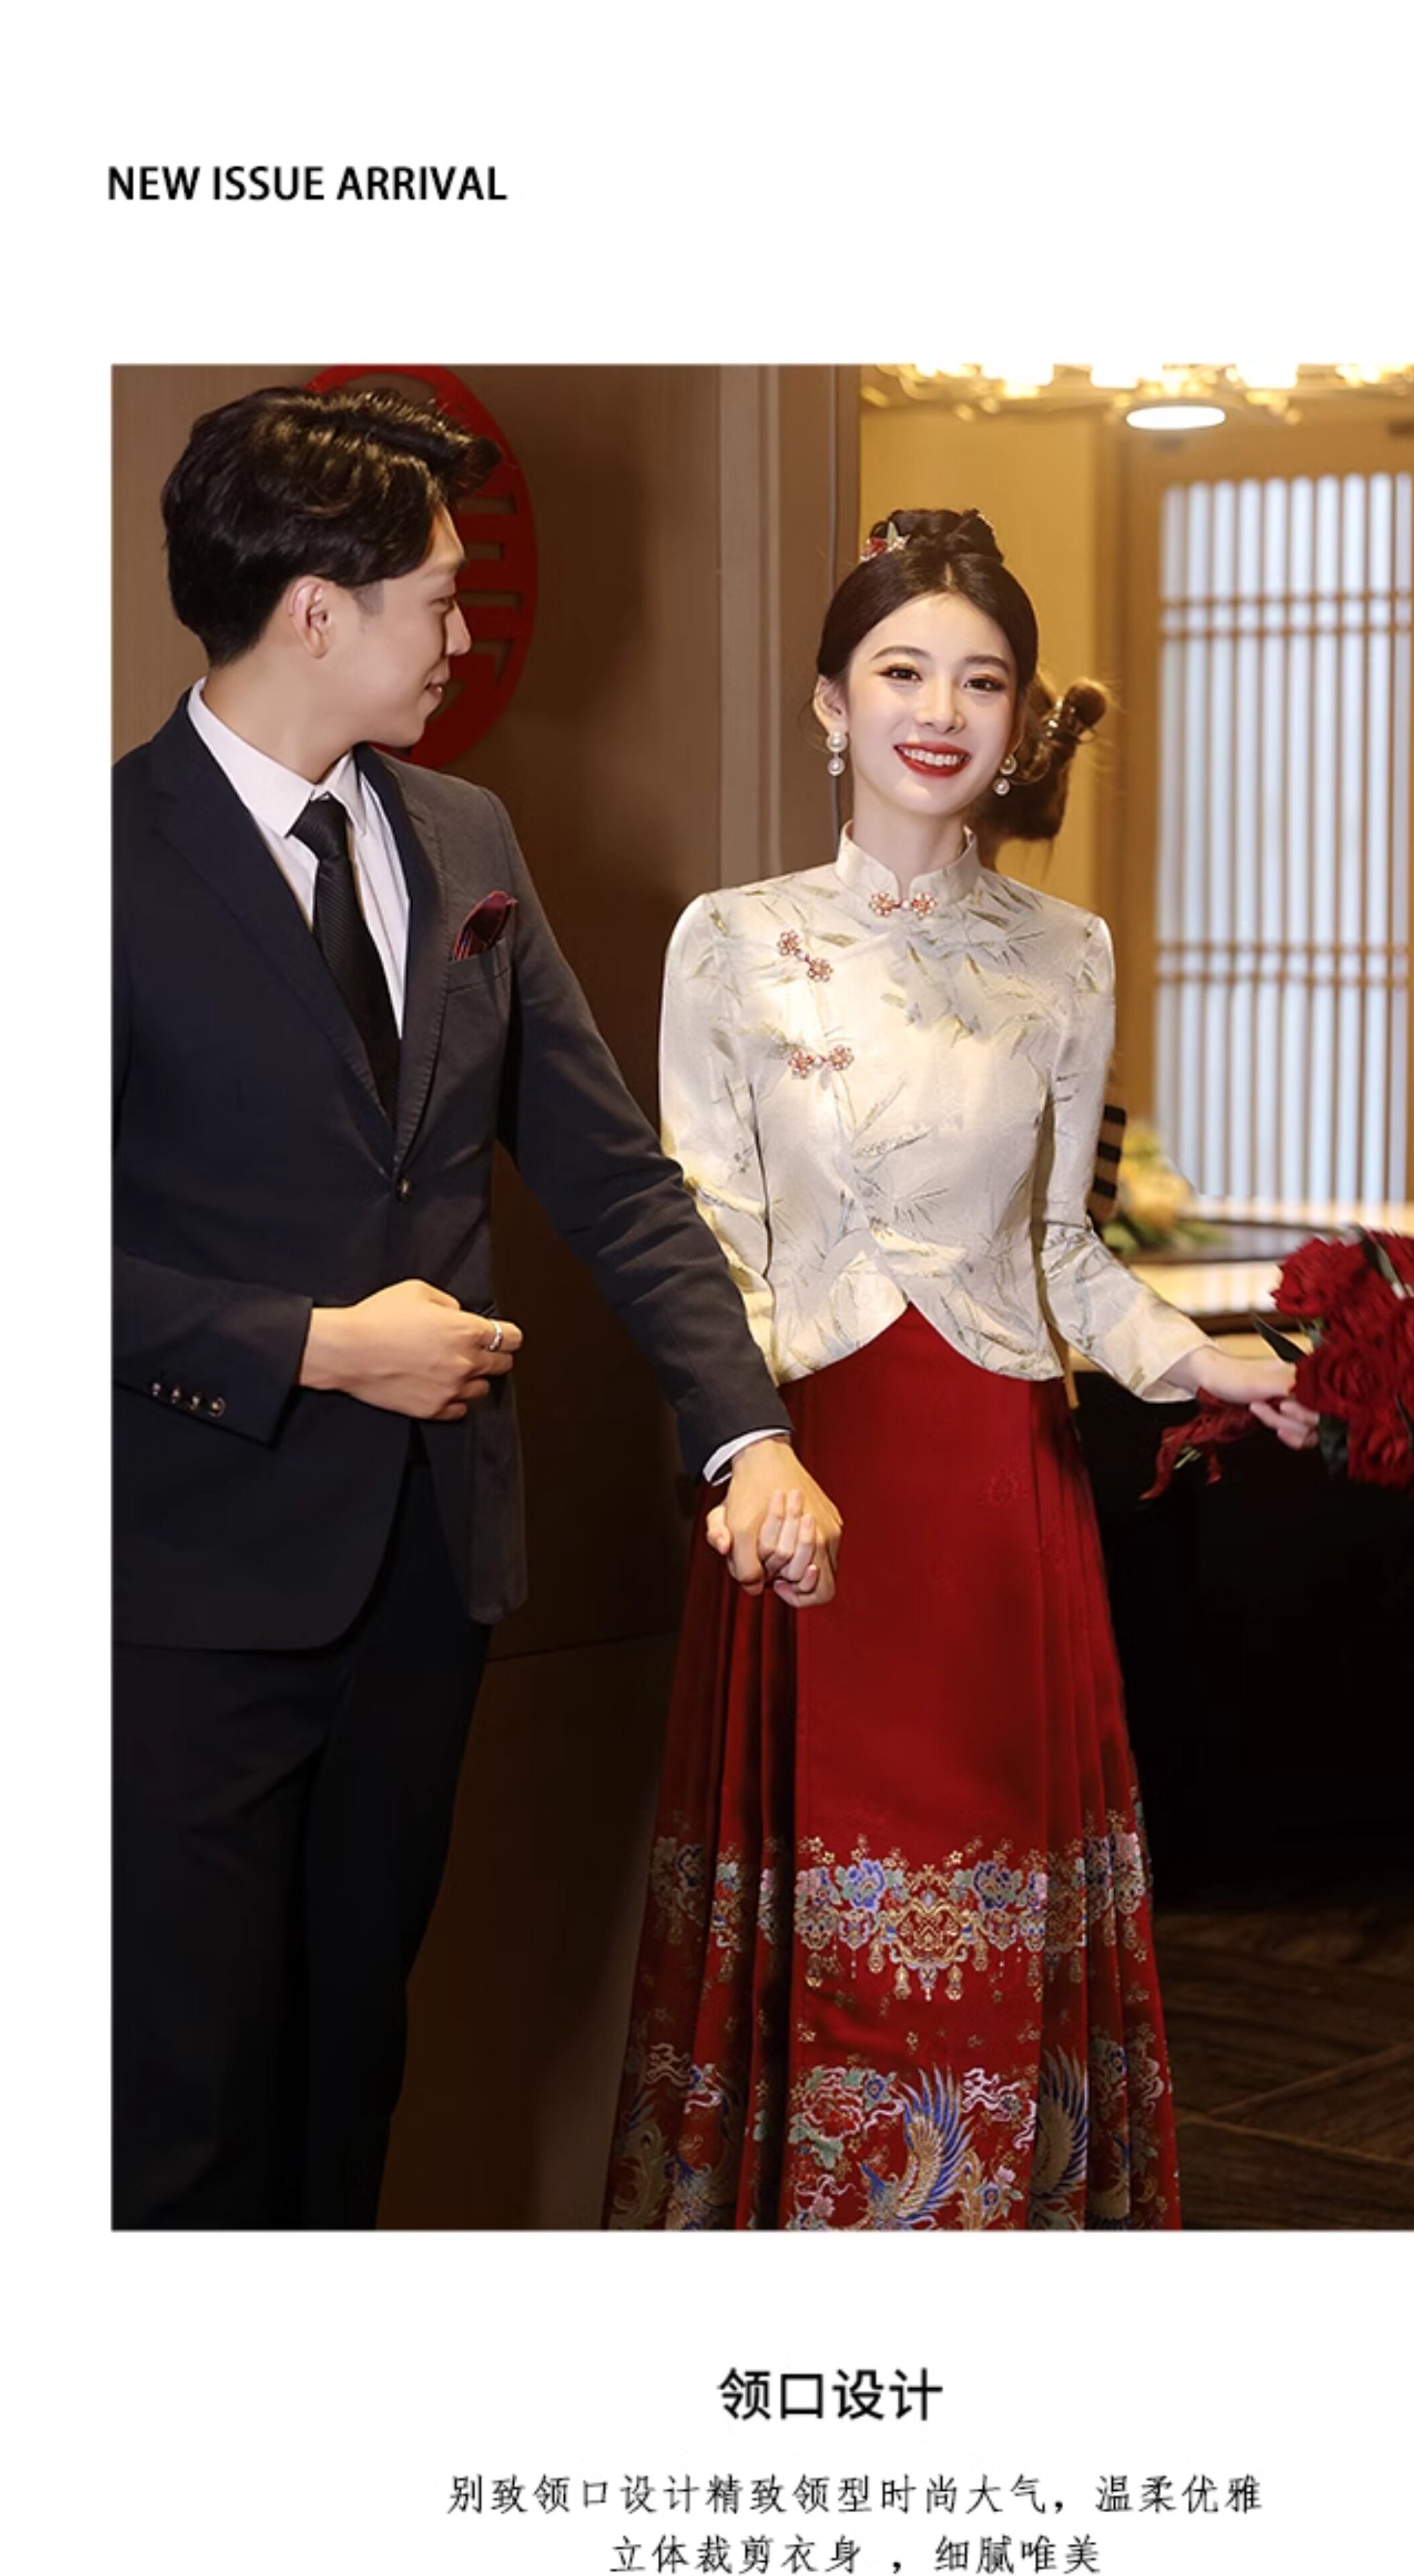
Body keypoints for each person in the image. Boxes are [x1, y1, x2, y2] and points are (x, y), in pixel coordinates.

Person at [113, 383, 840, 2231]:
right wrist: (312, 1347)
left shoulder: (468, 838)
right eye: (437, 597)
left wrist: (745, 1430)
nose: (462, 632)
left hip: (431, 1579)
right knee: (181, 2107)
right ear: (316, 612)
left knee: (353, 2064)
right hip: (174, 1596)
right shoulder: (89, 866)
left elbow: (611, 1176)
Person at [604, 508, 1317, 2231]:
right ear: (829, 704)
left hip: (1001, 1485)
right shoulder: (730, 939)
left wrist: (1200, 1364)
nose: (940, 711)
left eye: (981, 681)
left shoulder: (1065, 953)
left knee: (985, 1891)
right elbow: (708, 1238)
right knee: (820, 1905)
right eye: (901, 671)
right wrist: (741, 1454)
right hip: (803, 1474)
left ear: (1019, 719)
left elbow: (1060, 1251)